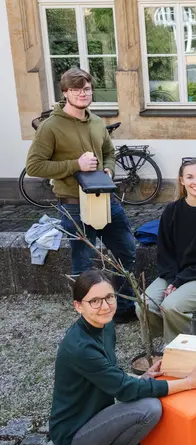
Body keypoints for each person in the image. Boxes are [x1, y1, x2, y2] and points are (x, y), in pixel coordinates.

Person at [50, 269, 196, 445]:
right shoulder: (80, 348)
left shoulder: (105, 326)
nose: (106, 306)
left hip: (97, 416)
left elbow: (111, 378)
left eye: (109, 297)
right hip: (73, 436)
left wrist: (144, 377)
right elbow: (124, 390)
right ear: (78, 306)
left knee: (147, 401)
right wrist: (189, 383)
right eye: (94, 301)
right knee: (149, 408)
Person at [26, 68, 137, 323]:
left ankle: (121, 309)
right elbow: (34, 166)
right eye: (75, 89)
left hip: (106, 201)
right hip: (74, 205)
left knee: (126, 251)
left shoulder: (97, 121)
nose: (82, 93)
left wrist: (108, 167)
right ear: (65, 93)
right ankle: (90, 317)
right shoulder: (50, 127)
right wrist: (75, 164)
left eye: (86, 88)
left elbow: (109, 151)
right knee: (83, 263)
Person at [138, 158, 196, 345]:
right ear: (182, 180)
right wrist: (174, 279)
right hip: (175, 274)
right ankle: (159, 343)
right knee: (144, 304)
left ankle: (176, 348)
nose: (195, 182)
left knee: (170, 306)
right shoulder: (171, 211)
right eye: (189, 177)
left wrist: (180, 280)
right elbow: (164, 251)